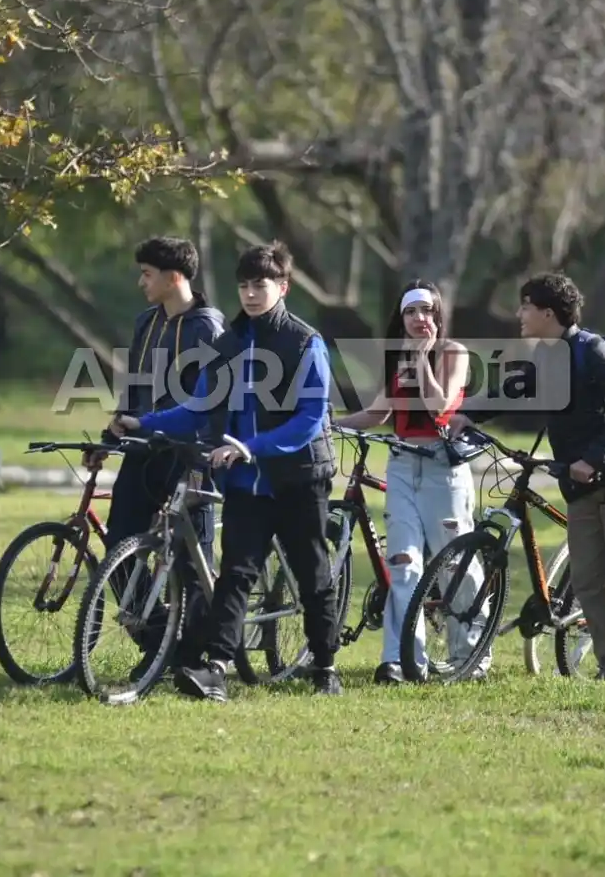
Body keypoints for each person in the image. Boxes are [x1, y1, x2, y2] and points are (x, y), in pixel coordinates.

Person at [111, 241, 344, 701]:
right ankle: (216, 668)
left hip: (298, 478)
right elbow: (198, 406)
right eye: (243, 286)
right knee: (236, 575)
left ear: (283, 287)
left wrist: (249, 447)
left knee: (313, 575)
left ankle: (326, 666)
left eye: (261, 285)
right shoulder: (229, 343)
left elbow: (309, 419)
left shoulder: (304, 341)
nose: (251, 294)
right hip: (244, 483)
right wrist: (145, 423)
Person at [449, 272, 605, 682]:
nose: (519, 314)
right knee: (588, 580)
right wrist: (467, 414)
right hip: (577, 483)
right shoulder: (544, 357)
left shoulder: (594, 351)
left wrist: (594, 459)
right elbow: (511, 388)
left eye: (526, 306)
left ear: (548, 313)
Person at [338, 280, 491, 683]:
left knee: (456, 563)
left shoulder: (453, 353)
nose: (418, 318)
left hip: (443, 468)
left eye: (426, 310)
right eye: (410, 312)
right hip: (403, 464)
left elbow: (440, 405)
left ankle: (470, 654)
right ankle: (401, 659)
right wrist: (332, 424)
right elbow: (379, 413)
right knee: (403, 562)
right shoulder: (398, 357)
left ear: (438, 315)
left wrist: (421, 360)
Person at [93, 237, 225, 674]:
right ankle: (157, 643)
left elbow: (213, 401)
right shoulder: (146, 322)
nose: (141, 282)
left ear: (174, 278)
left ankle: (193, 658)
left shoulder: (209, 328)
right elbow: (134, 388)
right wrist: (111, 436)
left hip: (191, 457)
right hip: (144, 453)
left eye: (147, 274)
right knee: (119, 548)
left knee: (193, 560)